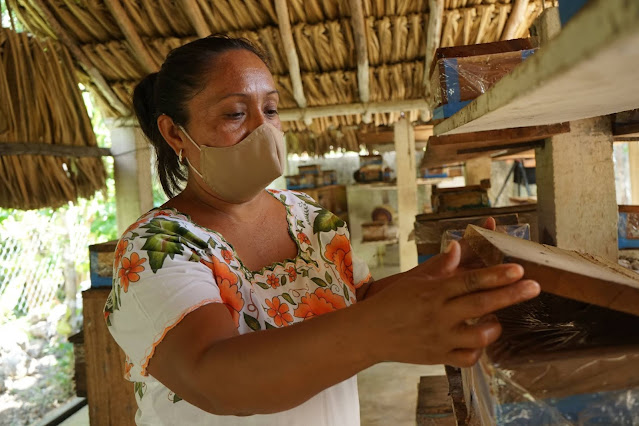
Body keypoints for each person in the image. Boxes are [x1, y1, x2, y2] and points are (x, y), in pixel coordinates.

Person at [104, 36, 540, 425]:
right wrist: (379, 333)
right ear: (174, 134)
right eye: (236, 113)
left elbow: (357, 301)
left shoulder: (308, 217)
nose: (263, 128)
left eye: (270, 109)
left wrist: (448, 278)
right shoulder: (156, 247)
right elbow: (211, 376)